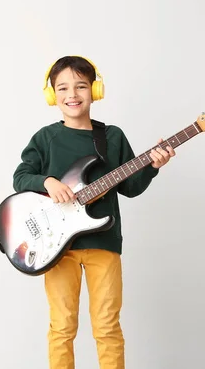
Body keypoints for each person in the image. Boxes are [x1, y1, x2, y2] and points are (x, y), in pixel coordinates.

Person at [12, 55, 175, 369]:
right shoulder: (46, 138)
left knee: (107, 326)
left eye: (81, 86)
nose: (72, 94)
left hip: (104, 243)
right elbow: (21, 177)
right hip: (58, 248)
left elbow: (129, 187)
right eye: (62, 88)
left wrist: (153, 167)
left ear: (95, 90)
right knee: (62, 327)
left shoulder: (111, 137)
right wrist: (47, 181)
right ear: (52, 95)